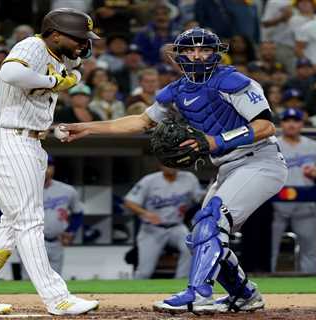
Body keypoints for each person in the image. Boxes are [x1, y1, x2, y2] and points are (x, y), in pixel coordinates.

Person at [60, 27, 288, 313]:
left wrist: (216, 140)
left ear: (215, 53)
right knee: (199, 236)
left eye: (203, 49)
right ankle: (244, 295)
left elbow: (265, 126)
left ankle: (199, 294)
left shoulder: (233, 81)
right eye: (189, 49)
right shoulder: (176, 91)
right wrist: (87, 128)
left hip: (260, 160)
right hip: (226, 167)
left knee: (211, 220)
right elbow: (140, 122)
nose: (196, 54)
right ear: (178, 55)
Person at [0, 8, 100, 316]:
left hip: (29, 141)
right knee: (30, 221)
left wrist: (69, 73)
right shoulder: (33, 45)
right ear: (55, 34)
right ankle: (57, 297)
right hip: (9, 139)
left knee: (13, 222)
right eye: (78, 38)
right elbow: (10, 73)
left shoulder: (61, 57)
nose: (83, 44)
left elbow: (76, 70)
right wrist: (54, 79)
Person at [271, 108, 316, 273]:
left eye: (295, 121)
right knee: (269, 248)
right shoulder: (272, 145)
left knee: (309, 249)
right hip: (276, 204)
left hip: (305, 202)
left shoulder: (313, 146)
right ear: (281, 124)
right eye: (287, 120)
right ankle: (266, 283)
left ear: (301, 124)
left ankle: (310, 291)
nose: (291, 124)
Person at [124, 164, 204, 279]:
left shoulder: (189, 178)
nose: (171, 166)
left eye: (173, 163)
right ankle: (132, 294)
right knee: (144, 272)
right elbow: (129, 202)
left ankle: (181, 282)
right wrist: (145, 213)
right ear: (160, 166)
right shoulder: (149, 180)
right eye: (167, 164)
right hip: (152, 229)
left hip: (176, 227)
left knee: (191, 246)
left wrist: (211, 192)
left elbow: (199, 199)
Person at [35, 155, 84, 276]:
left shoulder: (67, 190)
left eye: (49, 166)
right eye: (42, 166)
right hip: (32, 242)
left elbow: (78, 213)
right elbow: (0, 213)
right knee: (29, 281)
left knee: (55, 280)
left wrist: (71, 231)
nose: (46, 169)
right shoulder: (24, 189)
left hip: (57, 241)